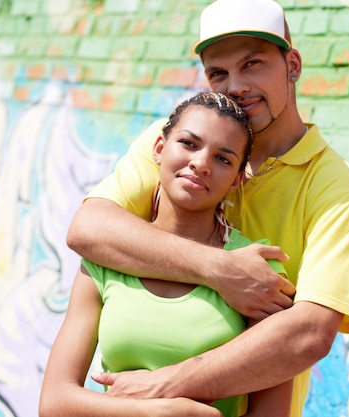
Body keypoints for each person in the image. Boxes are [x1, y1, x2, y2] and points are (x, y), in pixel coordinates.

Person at [66, 0, 349, 415]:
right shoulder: (176, 144)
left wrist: (165, 390)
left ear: (293, 66)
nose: (236, 86)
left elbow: (310, 332)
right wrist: (223, 270)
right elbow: (89, 229)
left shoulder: (338, 187)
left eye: (253, 64)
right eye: (218, 73)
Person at [39, 92, 292, 417]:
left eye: (223, 159)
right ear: (159, 149)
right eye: (189, 143)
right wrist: (165, 412)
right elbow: (54, 402)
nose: (200, 163)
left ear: (235, 181)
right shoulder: (106, 256)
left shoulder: (255, 269)